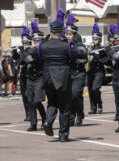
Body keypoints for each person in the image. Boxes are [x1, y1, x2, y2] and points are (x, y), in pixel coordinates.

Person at [30, 9, 73, 142]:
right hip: (62, 78)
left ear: (50, 31)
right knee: (65, 107)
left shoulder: (42, 46)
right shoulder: (67, 45)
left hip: (48, 77)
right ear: (62, 31)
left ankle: (48, 121)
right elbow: (80, 54)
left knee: (52, 102)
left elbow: (33, 53)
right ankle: (63, 134)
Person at [66, 14, 87, 126]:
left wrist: (71, 50)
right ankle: (71, 116)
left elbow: (83, 57)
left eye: (70, 34)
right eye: (67, 34)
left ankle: (79, 114)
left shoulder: (79, 45)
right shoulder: (64, 45)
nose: (68, 36)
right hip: (68, 74)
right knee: (69, 97)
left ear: (74, 35)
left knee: (75, 94)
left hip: (78, 74)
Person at [25, 21, 46, 131]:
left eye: (38, 40)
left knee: (37, 101)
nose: (36, 42)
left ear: (41, 40)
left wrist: (33, 57)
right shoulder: (30, 49)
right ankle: (33, 124)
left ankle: (44, 118)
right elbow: (23, 60)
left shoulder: (43, 49)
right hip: (30, 78)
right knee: (30, 101)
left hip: (39, 78)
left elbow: (40, 56)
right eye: (34, 40)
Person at [87, 21, 108, 114]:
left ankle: (99, 104)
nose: (94, 40)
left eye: (96, 39)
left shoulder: (102, 49)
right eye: (93, 38)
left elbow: (105, 60)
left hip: (99, 71)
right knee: (90, 90)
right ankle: (93, 107)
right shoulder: (90, 48)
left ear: (99, 40)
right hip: (90, 71)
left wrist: (97, 56)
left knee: (95, 89)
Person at [18, 26, 32, 121]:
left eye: (25, 42)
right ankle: (27, 113)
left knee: (29, 95)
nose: (24, 44)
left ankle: (31, 114)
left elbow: (25, 60)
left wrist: (23, 51)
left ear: (30, 43)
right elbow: (19, 61)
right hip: (23, 75)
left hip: (30, 75)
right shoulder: (21, 52)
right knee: (24, 96)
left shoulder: (31, 51)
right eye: (23, 43)